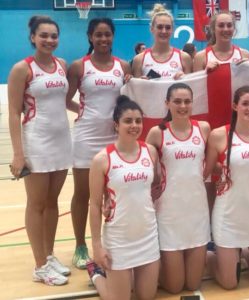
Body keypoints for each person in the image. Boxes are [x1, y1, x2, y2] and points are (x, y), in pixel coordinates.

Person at [8, 16, 72, 286]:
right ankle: (38, 266)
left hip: (61, 141)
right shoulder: (22, 69)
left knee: (52, 202)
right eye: (43, 35)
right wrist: (18, 154)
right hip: (36, 141)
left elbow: (64, 102)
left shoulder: (62, 65)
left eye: (54, 35)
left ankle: (48, 255)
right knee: (36, 204)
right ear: (32, 37)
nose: (49, 40)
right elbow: (13, 113)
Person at [66, 17, 131, 270]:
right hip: (86, 137)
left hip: (114, 139)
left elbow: (127, 102)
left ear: (113, 36)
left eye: (107, 34)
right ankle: (81, 245)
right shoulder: (78, 67)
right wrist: (83, 113)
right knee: (83, 195)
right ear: (90, 37)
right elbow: (66, 99)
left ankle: (110, 243)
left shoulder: (123, 66)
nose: (103, 39)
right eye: (98, 35)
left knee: (112, 194)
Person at [87, 95, 160, 299]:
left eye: (138, 121)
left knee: (146, 296)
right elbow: (94, 205)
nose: (134, 125)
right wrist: (96, 246)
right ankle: (95, 274)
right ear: (116, 125)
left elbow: (155, 185)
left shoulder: (150, 152)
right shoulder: (102, 159)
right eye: (128, 121)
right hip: (119, 240)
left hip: (147, 235)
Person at [205, 86, 249, 289]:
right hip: (229, 216)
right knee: (229, 284)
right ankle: (209, 257)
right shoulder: (219, 135)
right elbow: (207, 172)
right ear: (235, 106)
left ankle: (244, 252)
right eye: (245, 103)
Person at [146, 83, 210, 293]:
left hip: (197, 212)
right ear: (167, 104)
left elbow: (211, 163)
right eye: (177, 101)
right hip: (169, 214)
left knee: (193, 285)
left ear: (193, 103)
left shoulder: (203, 128)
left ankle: (220, 256)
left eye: (187, 101)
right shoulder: (157, 133)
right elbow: (144, 167)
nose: (183, 106)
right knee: (174, 288)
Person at [132, 3, 192, 139]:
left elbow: (192, 93)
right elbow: (135, 97)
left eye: (167, 27)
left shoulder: (184, 58)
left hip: (177, 120)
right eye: (159, 27)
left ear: (172, 30)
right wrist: (140, 83)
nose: (164, 31)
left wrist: (185, 79)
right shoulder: (140, 59)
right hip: (149, 118)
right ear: (152, 29)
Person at [193, 11, 249, 129]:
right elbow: (194, 92)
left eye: (229, 25)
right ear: (213, 29)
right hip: (211, 115)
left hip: (237, 114)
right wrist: (204, 74)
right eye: (221, 25)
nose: (225, 29)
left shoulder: (245, 55)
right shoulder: (201, 57)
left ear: (234, 29)